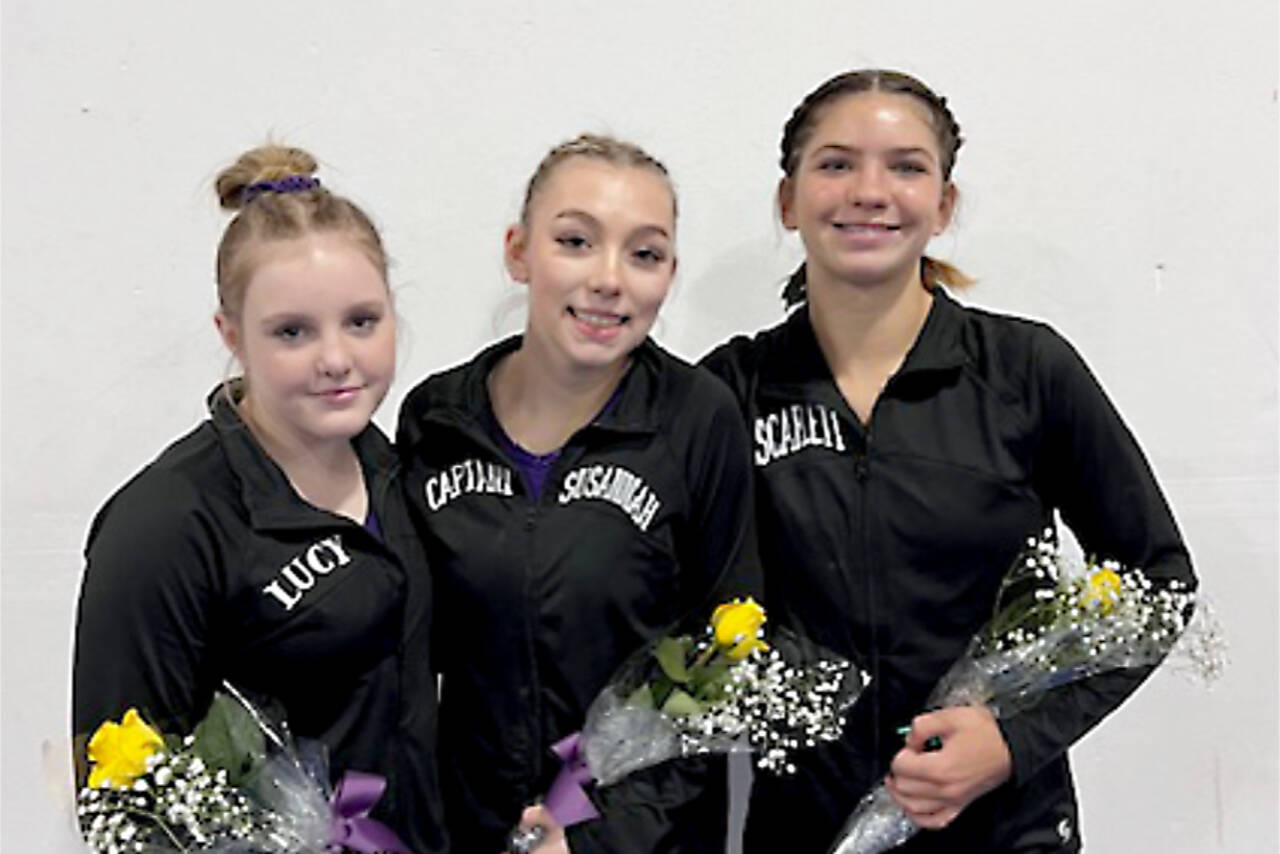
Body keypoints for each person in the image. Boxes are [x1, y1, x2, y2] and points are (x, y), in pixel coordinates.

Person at [701, 70, 1196, 853]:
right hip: (803, 831)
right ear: (788, 200)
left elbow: (1158, 581)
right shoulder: (728, 391)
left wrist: (1014, 742)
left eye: (906, 166)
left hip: (1004, 830)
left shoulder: (1025, 370)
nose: (870, 190)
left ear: (944, 203)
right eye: (834, 164)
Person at [72, 145, 445, 853]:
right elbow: (123, 807)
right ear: (231, 334)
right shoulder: (166, 524)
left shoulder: (394, 470)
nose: (336, 358)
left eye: (361, 321)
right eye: (292, 332)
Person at [397, 134, 759, 854]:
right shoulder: (435, 419)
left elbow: (726, 660)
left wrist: (601, 837)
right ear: (518, 252)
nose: (608, 279)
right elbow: (411, 660)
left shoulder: (698, 418)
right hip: (474, 833)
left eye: (644, 254)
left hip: (648, 841)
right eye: (575, 241)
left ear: (670, 274)